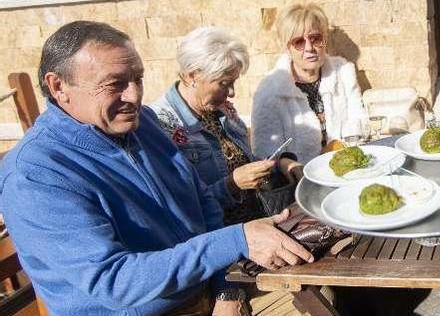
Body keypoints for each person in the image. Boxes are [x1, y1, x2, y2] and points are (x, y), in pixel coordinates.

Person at [0, 21, 313, 316]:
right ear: (58, 86)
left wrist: (226, 290)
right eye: (115, 84)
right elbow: (116, 281)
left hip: (214, 291)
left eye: (137, 79)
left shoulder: (143, 124)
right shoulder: (35, 176)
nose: (134, 96)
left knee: (334, 289)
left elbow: (204, 206)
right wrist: (237, 240)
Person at [150, 27, 301, 226]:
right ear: (191, 76)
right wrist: (231, 185)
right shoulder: (161, 126)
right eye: (223, 83)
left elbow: (243, 160)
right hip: (220, 239)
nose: (231, 93)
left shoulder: (221, 109)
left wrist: (281, 164)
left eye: (233, 82)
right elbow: (179, 208)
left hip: (258, 222)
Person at [252, 3, 367, 162]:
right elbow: (266, 155)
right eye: (299, 42)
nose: (309, 48)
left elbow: (360, 123)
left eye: (315, 38)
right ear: (288, 47)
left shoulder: (343, 73)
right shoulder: (270, 91)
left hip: (348, 166)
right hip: (299, 179)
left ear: (324, 40)